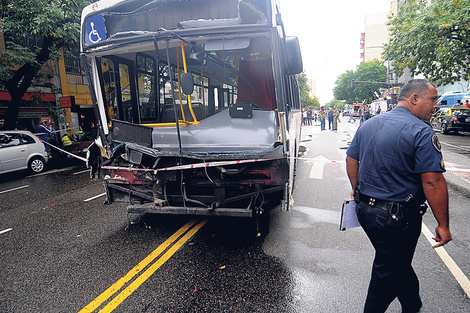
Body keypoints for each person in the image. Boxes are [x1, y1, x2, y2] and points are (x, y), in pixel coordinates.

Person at [346, 79, 452, 313]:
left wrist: (356, 189)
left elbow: (351, 158)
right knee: (387, 270)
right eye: (432, 99)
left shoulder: (369, 124)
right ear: (414, 98)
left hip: (365, 211)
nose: (436, 105)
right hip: (397, 219)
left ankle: (412, 305)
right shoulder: (421, 131)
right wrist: (443, 224)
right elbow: (432, 181)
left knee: (396, 262)